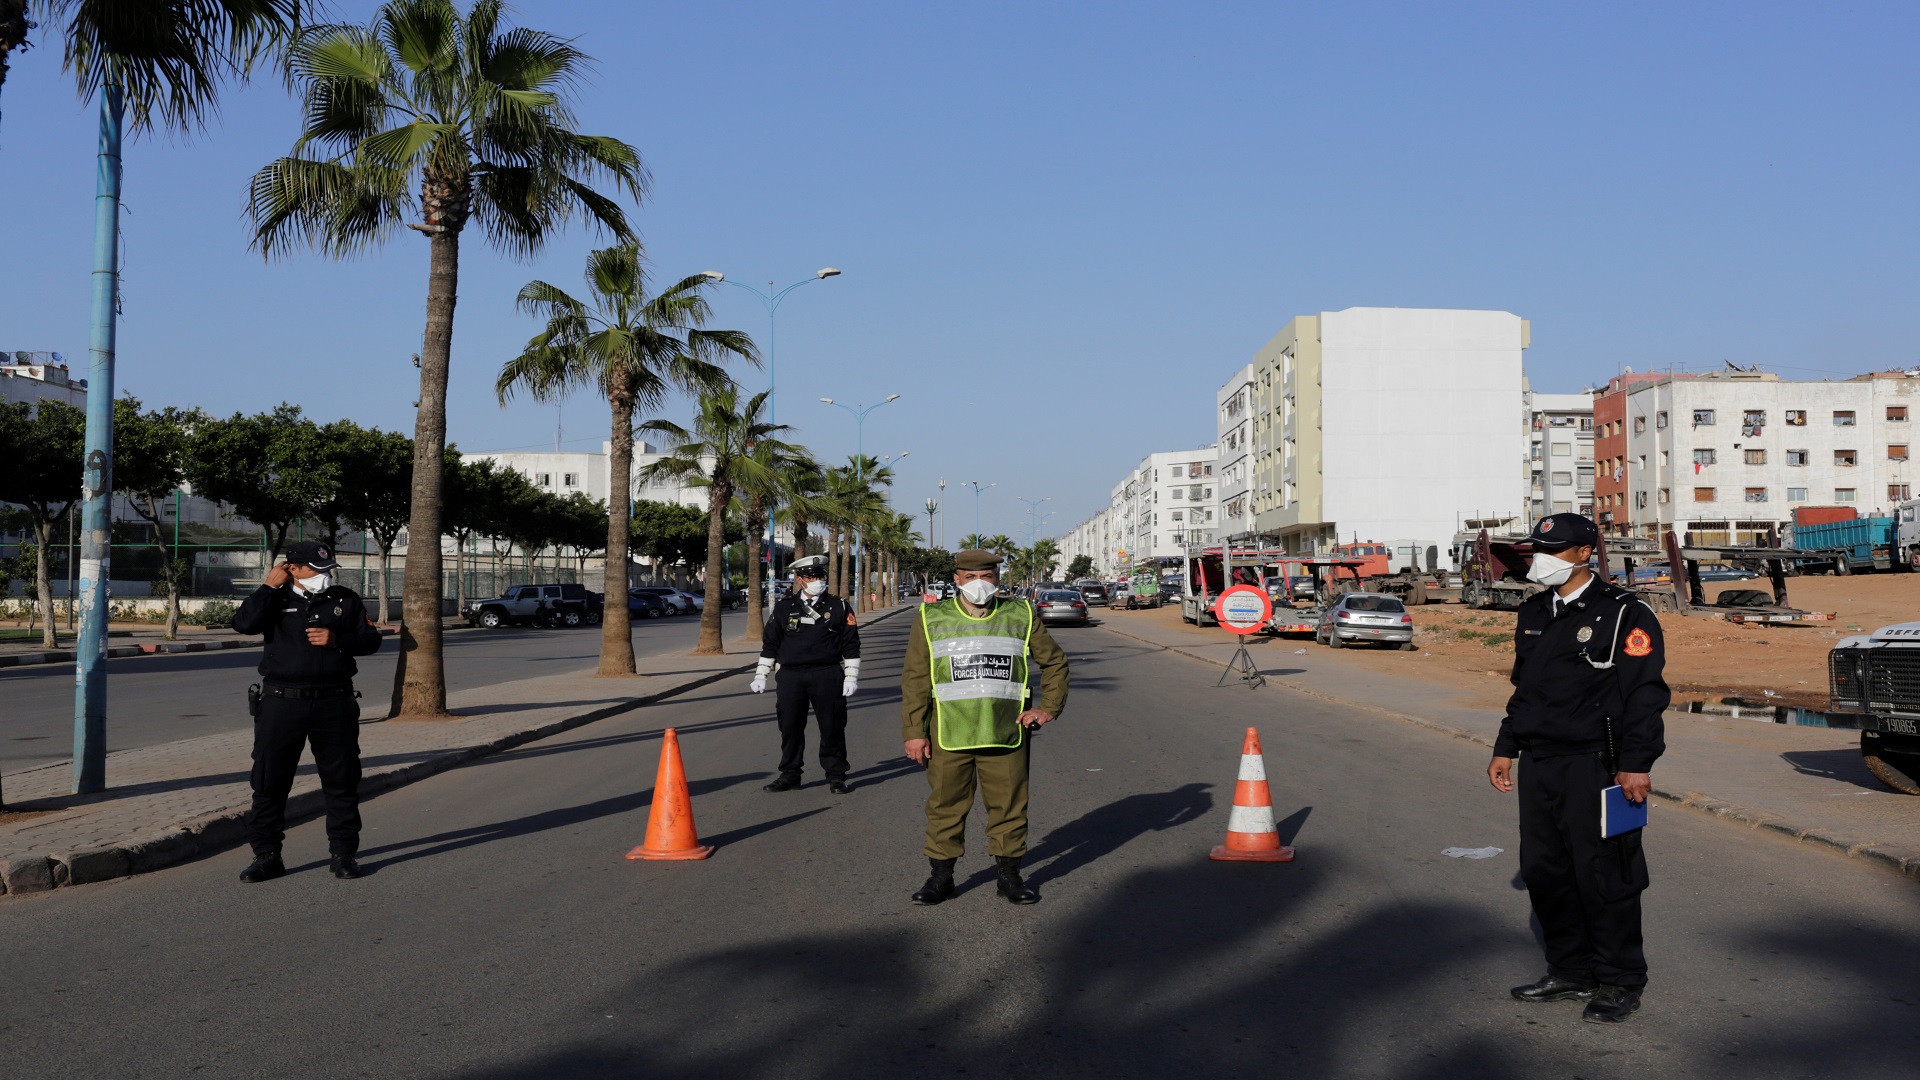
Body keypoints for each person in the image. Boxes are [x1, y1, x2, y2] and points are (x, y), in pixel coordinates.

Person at [1488, 513, 1669, 1024]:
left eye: (1555, 550)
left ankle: (1619, 979)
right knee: (1546, 871)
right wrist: (1507, 746)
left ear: (1584, 553)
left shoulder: (1623, 614)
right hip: (1542, 762)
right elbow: (1525, 690)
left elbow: (1644, 695)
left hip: (1599, 765)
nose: (1539, 559)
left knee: (1606, 874)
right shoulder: (1533, 612)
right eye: (1537, 550)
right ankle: (1570, 970)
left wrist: (1635, 764)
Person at [900, 548, 1070, 906]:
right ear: (958, 579)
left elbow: (1054, 663)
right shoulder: (932, 617)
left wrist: (1048, 708)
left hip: (1005, 733)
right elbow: (916, 678)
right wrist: (915, 731)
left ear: (997, 578)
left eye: (987, 577)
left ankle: (1009, 877)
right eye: (971, 577)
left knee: (1009, 806)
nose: (979, 584)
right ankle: (940, 878)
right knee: (945, 806)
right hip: (949, 732)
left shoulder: (1020, 614)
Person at [231, 540, 384, 883]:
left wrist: (337, 639)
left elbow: (371, 641)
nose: (324, 576)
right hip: (281, 703)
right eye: (316, 570)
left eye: (328, 570)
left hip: (334, 702)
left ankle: (344, 854)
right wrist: (269, 586)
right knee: (269, 782)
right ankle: (267, 856)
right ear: (292, 569)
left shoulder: (345, 598)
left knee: (342, 781)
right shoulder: (275, 598)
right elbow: (243, 624)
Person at [750, 554, 862, 794]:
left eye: (820, 576)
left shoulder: (838, 606)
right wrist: (761, 674)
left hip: (827, 674)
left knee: (832, 726)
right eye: (811, 577)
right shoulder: (784, 607)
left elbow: (851, 643)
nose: (818, 580)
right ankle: (790, 774)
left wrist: (851, 676)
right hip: (791, 676)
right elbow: (771, 644)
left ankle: (836, 775)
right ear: (800, 580)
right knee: (789, 726)